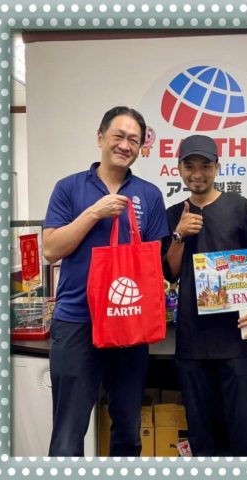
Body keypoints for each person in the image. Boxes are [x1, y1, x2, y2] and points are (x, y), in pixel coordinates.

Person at [42, 106, 169, 456]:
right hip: (76, 320)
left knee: (127, 428)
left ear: (141, 148)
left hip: (128, 320)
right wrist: (94, 212)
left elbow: (153, 261)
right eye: (119, 136)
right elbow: (51, 249)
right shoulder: (69, 188)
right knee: (68, 432)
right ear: (100, 138)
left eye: (134, 140)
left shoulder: (149, 194)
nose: (125, 145)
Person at [162, 134, 247, 456]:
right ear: (179, 169)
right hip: (193, 338)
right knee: (200, 427)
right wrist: (179, 235)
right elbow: (170, 273)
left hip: (236, 336)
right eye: (189, 166)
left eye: (205, 166)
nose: (197, 174)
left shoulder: (239, 207)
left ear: (217, 167)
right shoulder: (173, 214)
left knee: (242, 427)